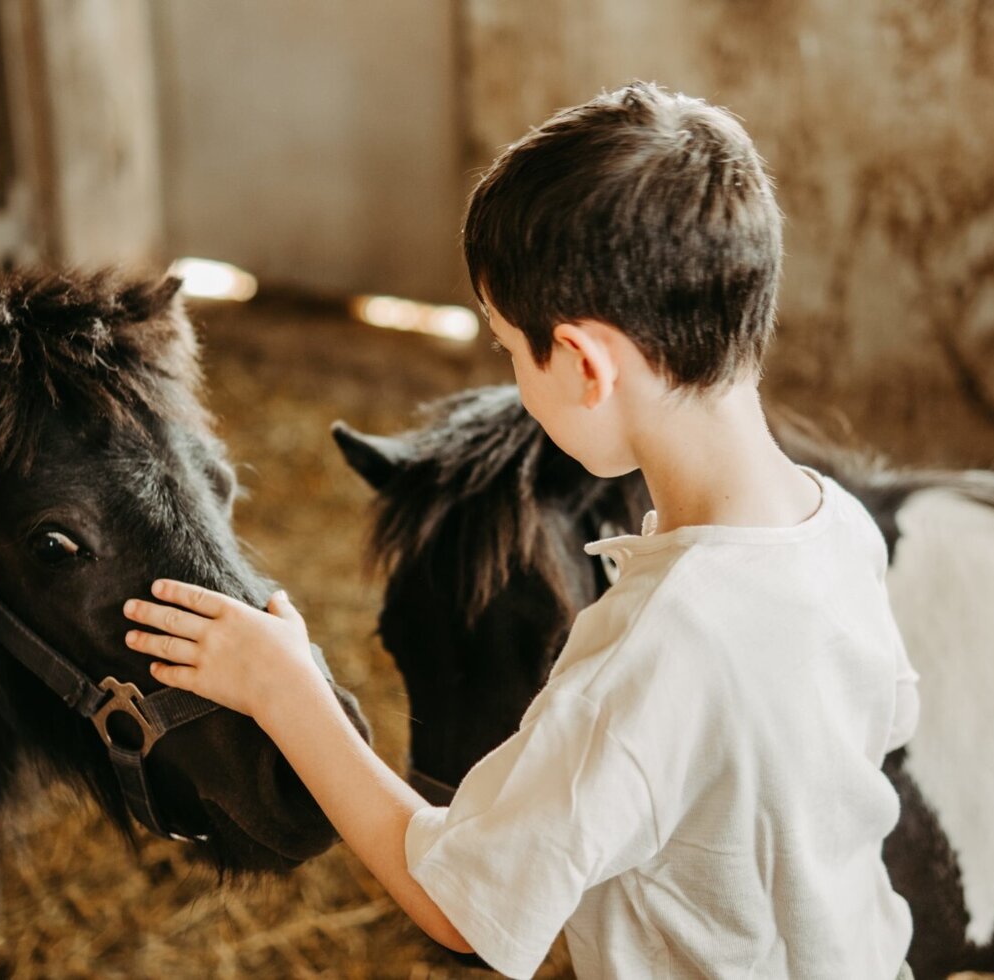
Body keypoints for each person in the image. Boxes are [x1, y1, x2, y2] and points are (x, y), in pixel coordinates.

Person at [122, 82, 919, 979]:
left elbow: (460, 905)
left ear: (582, 361)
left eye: (507, 346)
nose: (512, 370)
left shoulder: (650, 650)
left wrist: (287, 692)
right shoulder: (836, 528)